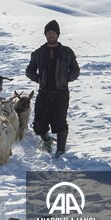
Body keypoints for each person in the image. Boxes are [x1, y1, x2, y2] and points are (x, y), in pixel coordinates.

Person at [25, 20, 80, 157]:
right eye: (49, 32)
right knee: (39, 124)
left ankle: (60, 150)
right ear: (45, 34)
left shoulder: (67, 52)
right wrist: (37, 78)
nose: (51, 34)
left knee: (60, 121)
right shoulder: (38, 53)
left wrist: (66, 78)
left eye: (53, 32)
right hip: (44, 92)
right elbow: (29, 70)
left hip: (61, 93)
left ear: (58, 34)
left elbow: (75, 70)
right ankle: (47, 140)